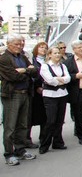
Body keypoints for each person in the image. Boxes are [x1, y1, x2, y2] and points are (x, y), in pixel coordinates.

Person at [1, 34, 38, 165]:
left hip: (25, 93)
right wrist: (27, 72)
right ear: (8, 44)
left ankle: (20, 150)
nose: (19, 46)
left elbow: (35, 71)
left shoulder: (22, 56)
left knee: (22, 124)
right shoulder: (4, 58)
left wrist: (24, 71)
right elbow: (12, 77)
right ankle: (8, 154)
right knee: (10, 126)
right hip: (12, 95)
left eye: (21, 43)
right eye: (16, 44)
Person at [38, 46, 71, 154]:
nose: (58, 55)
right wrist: (60, 80)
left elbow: (68, 78)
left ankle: (57, 142)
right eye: (55, 53)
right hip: (50, 95)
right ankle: (44, 144)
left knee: (59, 120)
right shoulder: (45, 66)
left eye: (58, 53)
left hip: (62, 94)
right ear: (49, 55)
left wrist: (59, 80)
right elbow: (49, 80)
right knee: (50, 121)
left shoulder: (62, 65)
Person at [28, 42, 48, 148]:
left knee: (45, 115)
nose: (43, 49)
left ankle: (43, 137)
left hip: (46, 91)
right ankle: (27, 139)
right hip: (35, 92)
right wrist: (36, 87)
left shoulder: (47, 60)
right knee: (31, 116)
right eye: (41, 47)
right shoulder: (32, 60)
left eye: (45, 48)